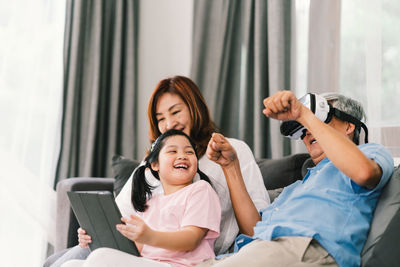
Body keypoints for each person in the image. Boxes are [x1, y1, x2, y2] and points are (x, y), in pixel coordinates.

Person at [48, 76, 269, 266]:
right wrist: (95, 233)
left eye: (175, 112)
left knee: (96, 259)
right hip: (142, 254)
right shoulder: (152, 167)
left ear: (195, 109)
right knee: (65, 263)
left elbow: (255, 230)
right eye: (160, 118)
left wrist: (229, 165)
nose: (169, 123)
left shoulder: (223, 160)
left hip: (183, 260)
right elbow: (122, 218)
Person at [201, 91, 394, 267]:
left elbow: (364, 173)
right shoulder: (297, 188)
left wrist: (303, 114)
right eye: (302, 128)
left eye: (320, 119)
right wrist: (230, 166)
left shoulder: (370, 152)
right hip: (259, 250)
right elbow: (254, 230)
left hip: (306, 249)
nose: (307, 131)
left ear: (350, 126)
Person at [61, 129, 221, 267]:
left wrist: (150, 236)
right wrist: (95, 240)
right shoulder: (151, 203)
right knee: (70, 264)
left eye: (189, 152)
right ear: (155, 164)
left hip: (179, 265)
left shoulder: (200, 190)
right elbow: (133, 249)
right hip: (147, 263)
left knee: (100, 258)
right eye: (173, 151)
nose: (183, 156)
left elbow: (191, 239)